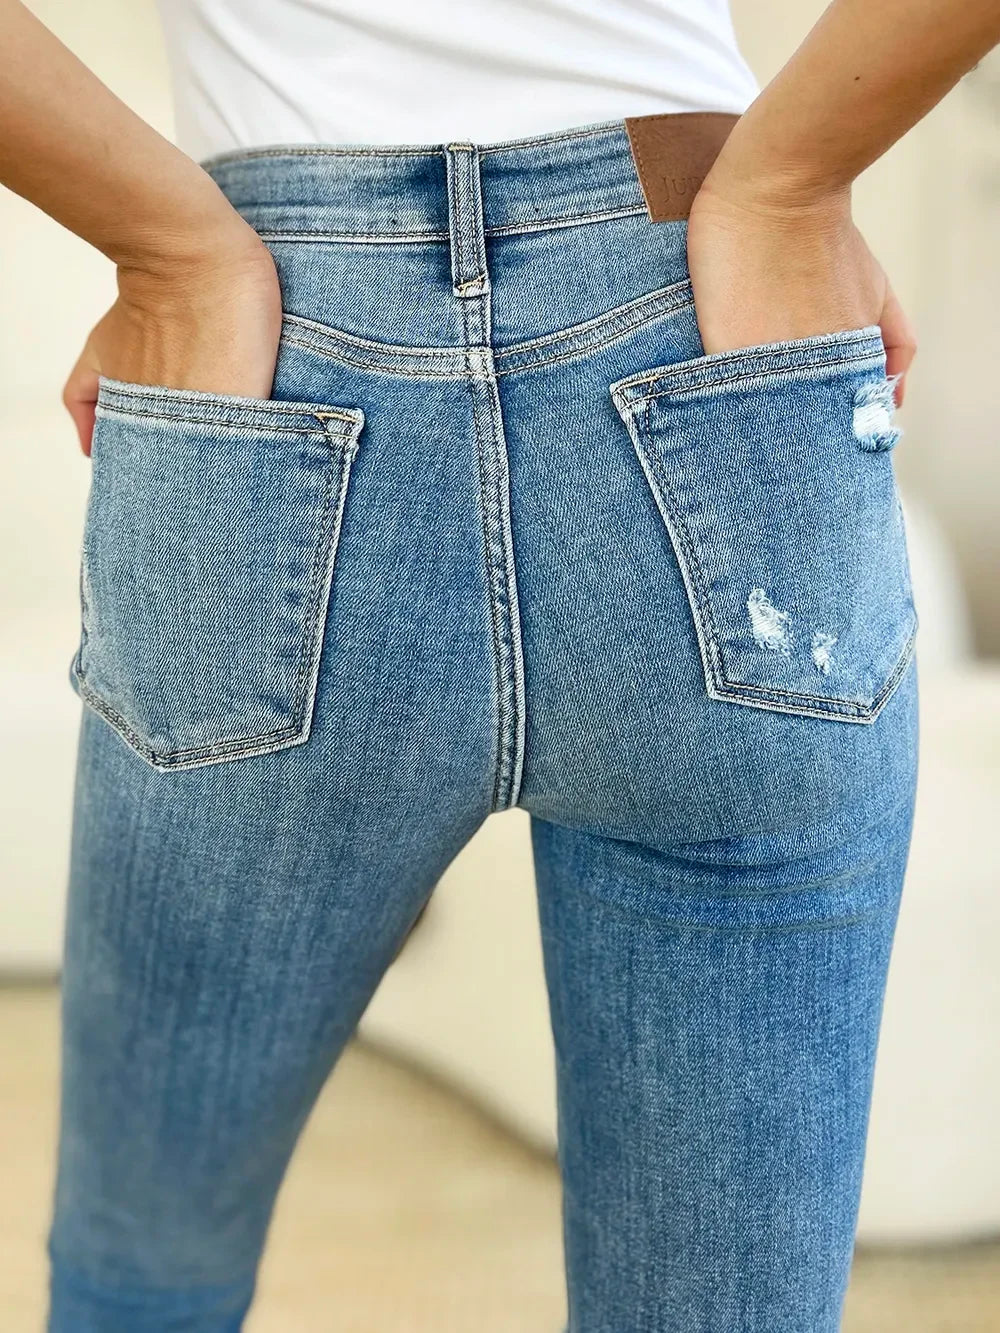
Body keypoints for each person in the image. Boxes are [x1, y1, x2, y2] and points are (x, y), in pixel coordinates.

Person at [2, 1, 997, 1329]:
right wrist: (787, 183)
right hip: (704, 318)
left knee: (143, 1272)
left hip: (278, 358)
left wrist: (169, 249)